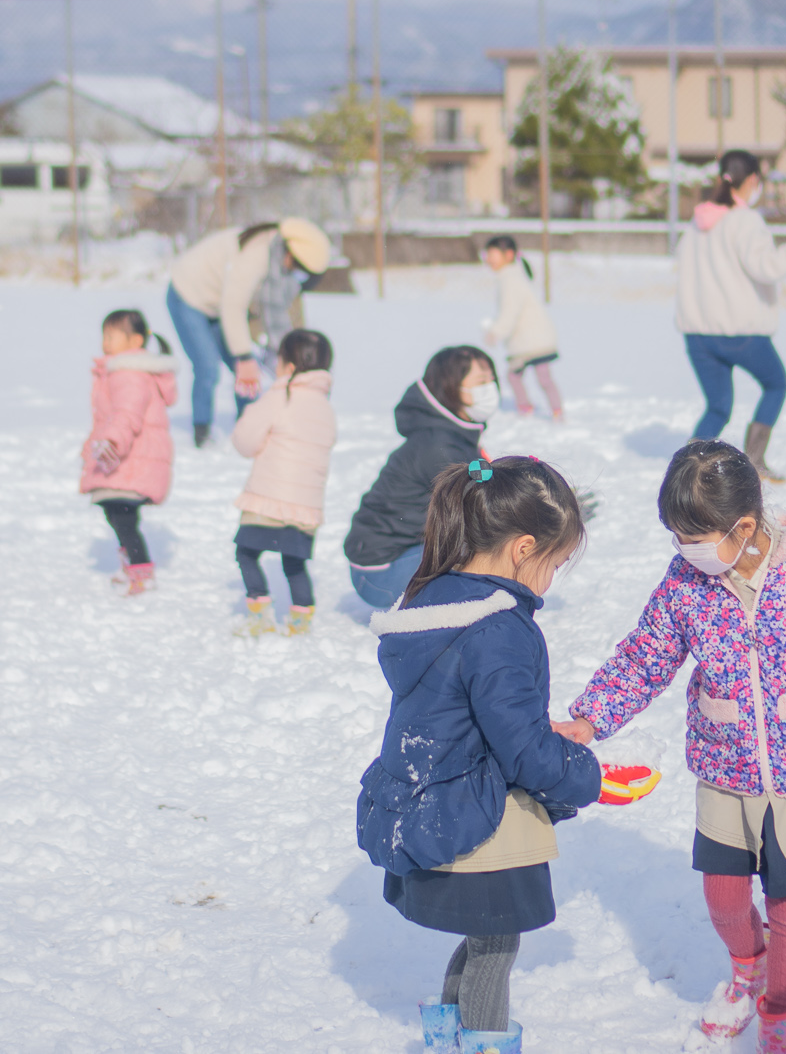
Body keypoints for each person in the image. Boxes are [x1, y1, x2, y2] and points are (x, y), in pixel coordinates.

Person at [562, 440, 786, 1053]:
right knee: (725, 897)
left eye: (696, 539)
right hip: (727, 769)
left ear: (745, 525)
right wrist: (592, 717)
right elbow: (647, 652)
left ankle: (780, 1012)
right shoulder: (687, 582)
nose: (686, 552)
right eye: (677, 539)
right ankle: (745, 966)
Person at [356, 457, 602, 1054]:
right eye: (556, 562)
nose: (551, 579)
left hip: (431, 796)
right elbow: (521, 750)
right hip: (475, 811)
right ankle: (484, 1045)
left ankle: (449, 1040)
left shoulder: (432, 598)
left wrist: (535, 732)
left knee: (481, 937)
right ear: (523, 549)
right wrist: (585, 774)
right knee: (496, 942)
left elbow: (469, 708)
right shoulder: (500, 626)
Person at [676, 150, 786, 482]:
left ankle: (686, 471)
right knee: (776, 384)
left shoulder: (696, 224)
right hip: (741, 334)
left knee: (718, 406)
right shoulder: (745, 221)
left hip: (698, 336)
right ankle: (755, 459)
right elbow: (767, 267)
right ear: (752, 180)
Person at [343, 346, 499, 609]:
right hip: (379, 572)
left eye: (492, 380)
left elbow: (490, 482)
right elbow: (486, 508)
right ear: (450, 387)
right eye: (481, 382)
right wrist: (543, 517)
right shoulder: (439, 446)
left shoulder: (454, 435)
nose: (491, 389)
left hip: (403, 556)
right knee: (483, 553)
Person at [165, 218, 331, 448]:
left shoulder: (279, 264)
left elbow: (290, 316)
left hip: (219, 302)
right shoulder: (258, 256)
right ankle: (201, 433)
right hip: (189, 296)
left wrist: (297, 358)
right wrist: (244, 356)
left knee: (245, 370)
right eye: (298, 269)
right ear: (291, 256)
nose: (296, 275)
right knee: (208, 367)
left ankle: (247, 425)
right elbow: (233, 306)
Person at [231, 329, 338, 637]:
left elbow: (244, 440)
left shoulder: (279, 396)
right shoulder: (325, 407)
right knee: (294, 562)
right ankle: (301, 618)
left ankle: (259, 611)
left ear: (289, 367)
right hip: (305, 505)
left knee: (246, 552)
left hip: (269, 496)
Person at [79, 309, 177, 597]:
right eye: (104, 335)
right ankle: (133, 568)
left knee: (121, 515)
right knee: (118, 514)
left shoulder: (129, 373)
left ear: (135, 340)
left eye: (112, 336)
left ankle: (141, 571)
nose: (105, 341)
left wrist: (111, 442)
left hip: (130, 458)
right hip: (129, 458)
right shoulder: (123, 370)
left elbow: (127, 415)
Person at [480, 236, 562, 422]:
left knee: (518, 375)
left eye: (492, 255)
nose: (488, 260)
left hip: (531, 340)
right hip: (535, 338)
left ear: (508, 255)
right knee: (540, 377)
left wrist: (496, 332)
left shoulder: (510, 279)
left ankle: (529, 408)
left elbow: (510, 312)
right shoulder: (512, 275)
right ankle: (555, 411)